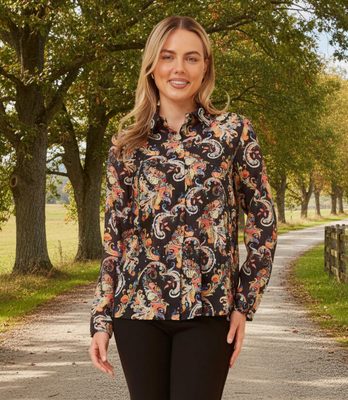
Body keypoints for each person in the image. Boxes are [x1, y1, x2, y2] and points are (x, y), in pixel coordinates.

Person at [88, 15, 277, 400]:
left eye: (191, 58)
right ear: (151, 65)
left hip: (209, 312)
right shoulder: (126, 144)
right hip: (137, 311)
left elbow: (263, 223)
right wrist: (101, 318)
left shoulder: (234, 132)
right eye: (167, 56)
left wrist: (244, 304)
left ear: (205, 66)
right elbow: (115, 240)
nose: (179, 68)